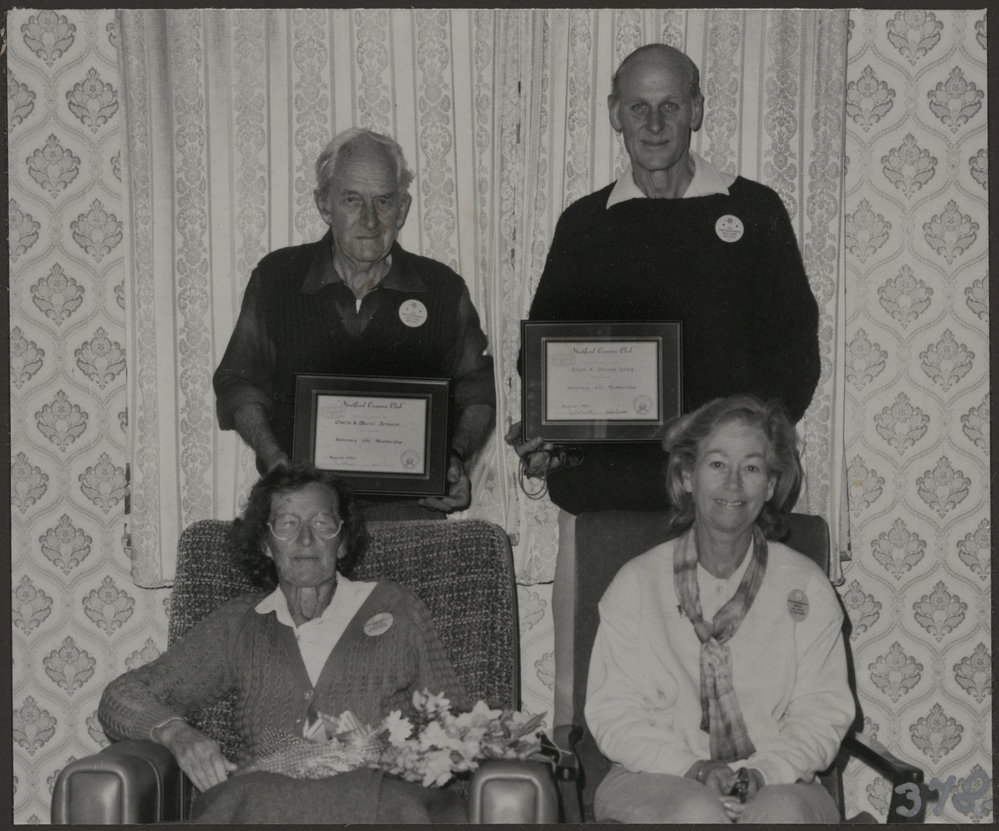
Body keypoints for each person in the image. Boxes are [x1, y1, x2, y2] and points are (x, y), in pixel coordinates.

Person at [508, 43, 820, 515]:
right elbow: (543, 363)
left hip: (727, 492)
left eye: (670, 106)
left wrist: (726, 438)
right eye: (639, 107)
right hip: (609, 494)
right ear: (616, 114)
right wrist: (555, 432)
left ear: (695, 110)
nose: (654, 125)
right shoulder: (586, 224)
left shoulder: (755, 212)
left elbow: (795, 356)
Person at [98, 463, 470, 823]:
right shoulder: (241, 624)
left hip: (379, 799)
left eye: (322, 523)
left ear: (341, 542)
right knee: (255, 798)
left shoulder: (396, 607)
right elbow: (123, 695)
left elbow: (455, 716)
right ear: (265, 542)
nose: (305, 539)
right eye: (288, 524)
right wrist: (176, 733)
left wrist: (422, 756)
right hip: (264, 802)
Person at [584, 396, 853, 823]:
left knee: (781, 814)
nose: (732, 485)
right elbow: (614, 714)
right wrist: (693, 770)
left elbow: (822, 714)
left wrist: (762, 775)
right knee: (696, 813)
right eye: (716, 465)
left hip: (781, 780)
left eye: (750, 467)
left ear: (769, 485)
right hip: (654, 776)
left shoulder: (806, 587)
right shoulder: (637, 583)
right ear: (688, 477)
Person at [214, 128, 495, 516]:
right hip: (301, 509)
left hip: (407, 512)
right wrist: (275, 458)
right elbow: (238, 381)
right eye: (352, 200)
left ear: (403, 208)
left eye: (383, 201)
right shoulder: (278, 278)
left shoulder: (442, 290)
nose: (370, 219)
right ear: (324, 205)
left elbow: (478, 390)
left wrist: (454, 458)